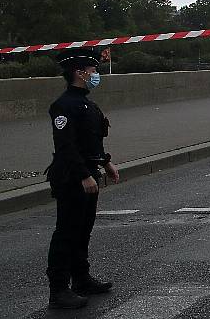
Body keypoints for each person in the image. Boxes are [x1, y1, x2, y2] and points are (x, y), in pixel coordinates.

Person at [45, 48, 119, 309]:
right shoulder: (64, 105)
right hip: (72, 177)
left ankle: (82, 279)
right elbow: (66, 146)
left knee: (83, 230)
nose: (95, 74)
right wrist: (84, 175)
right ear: (79, 73)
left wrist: (106, 162)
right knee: (67, 232)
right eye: (93, 70)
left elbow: (91, 140)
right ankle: (58, 289)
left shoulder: (87, 103)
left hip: (89, 172)